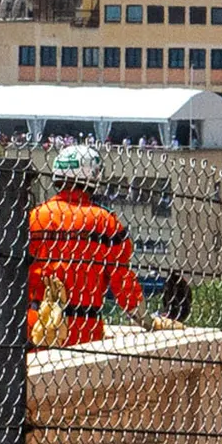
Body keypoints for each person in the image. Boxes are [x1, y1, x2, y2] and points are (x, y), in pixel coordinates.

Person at [27, 145, 142, 347]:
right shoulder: (105, 222)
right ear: (93, 176)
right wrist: (147, 320)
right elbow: (122, 281)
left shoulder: (35, 216)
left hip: (37, 326)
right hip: (84, 330)